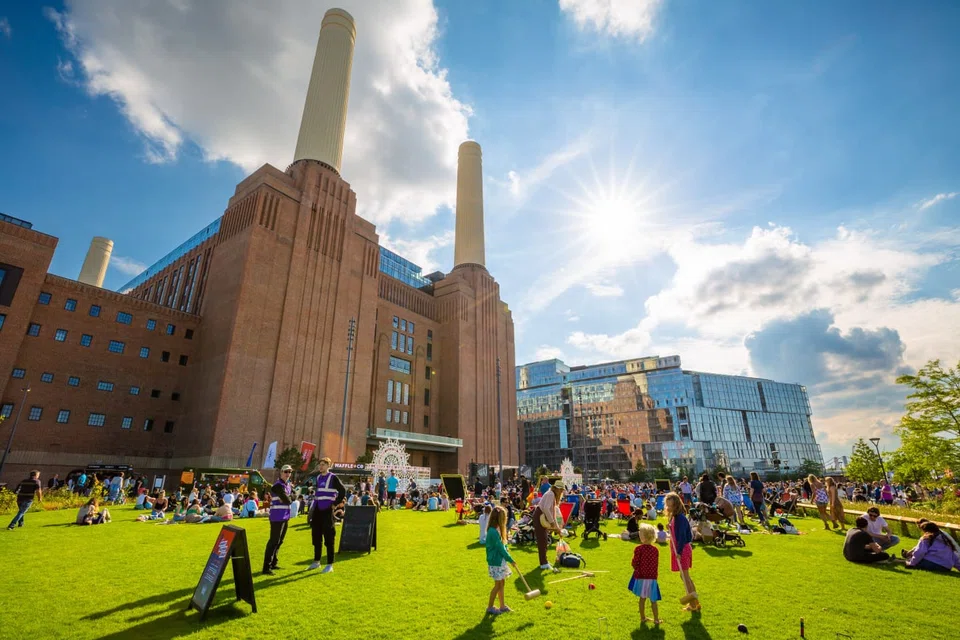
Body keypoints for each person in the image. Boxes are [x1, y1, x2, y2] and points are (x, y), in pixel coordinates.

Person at [309, 457, 346, 573]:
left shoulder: (333, 477)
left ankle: (330, 564)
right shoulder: (318, 477)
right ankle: (316, 561)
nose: (320, 466)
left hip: (327, 511)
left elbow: (343, 490)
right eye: (320, 464)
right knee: (316, 535)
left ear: (328, 466)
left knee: (329, 537)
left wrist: (335, 504)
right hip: (318, 510)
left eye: (323, 464)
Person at [665, 492, 699, 612]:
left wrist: (678, 552)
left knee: (685, 577)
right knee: (685, 576)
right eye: (667, 506)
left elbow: (683, 536)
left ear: (676, 505)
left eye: (671, 506)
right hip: (680, 549)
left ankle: (693, 605)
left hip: (682, 550)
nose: (668, 508)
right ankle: (695, 602)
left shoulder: (680, 518)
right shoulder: (676, 517)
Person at [485, 506, 518, 616]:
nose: (506, 520)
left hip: (500, 560)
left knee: (502, 583)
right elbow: (500, 548)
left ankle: (502, 606)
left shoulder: (496, 529)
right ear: (499, 518)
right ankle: (490, 607)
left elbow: (502, 546)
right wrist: (511, 559)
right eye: (505, 517)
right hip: (495, 562)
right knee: (498, 585)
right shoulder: (493, 532)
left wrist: (506, 553)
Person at [629, 523, 663, 625]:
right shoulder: (655, 550)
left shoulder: (638, 549)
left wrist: (636, 568)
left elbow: (635, 563)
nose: (639, 535)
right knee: (653, 600)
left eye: (640, 533)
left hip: (641, 578)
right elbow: (655, 564)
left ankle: (643, 618)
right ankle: (656, 619)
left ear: (644, 537)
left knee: (642, 599)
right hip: (652, 578)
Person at [263, 464, 294, 575]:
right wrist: (288, 498)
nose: (288, 474)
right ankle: (266, 567)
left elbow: (291, 498)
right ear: (281, 472)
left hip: (285, 516)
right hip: (277, 517)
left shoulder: (288, 485)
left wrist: (288, 498)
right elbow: (288, 500)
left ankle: (273, 563)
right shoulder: (277, 485)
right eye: (286, 472)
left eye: (290, 472)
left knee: (279, 541)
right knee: (274, 541)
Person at [532, 480, 564, 570]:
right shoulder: (551, 494)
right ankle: (543, 563)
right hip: (540, 517)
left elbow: (552, 513)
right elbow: (546, 509)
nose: (561, 492)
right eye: (561, 490)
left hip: (541, 517)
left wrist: (558, 529)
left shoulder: (551, 494)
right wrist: (552, 523)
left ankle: (544, 561)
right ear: (557, 489)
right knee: (542, 541)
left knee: (544, 540)